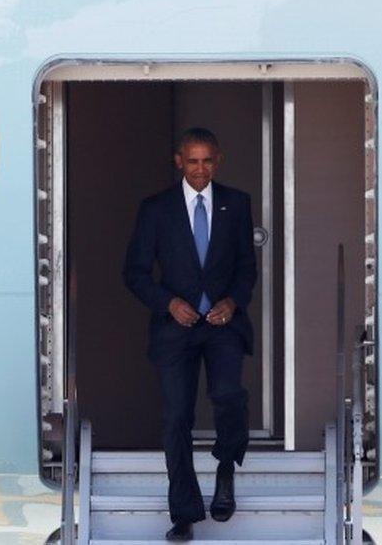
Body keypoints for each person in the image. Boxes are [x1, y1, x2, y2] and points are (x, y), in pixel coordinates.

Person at [123, 127, 257, 541]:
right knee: (177, 417)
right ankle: (183, 512)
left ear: (218, 161)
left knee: (228, 396)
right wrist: (169, 303)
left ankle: (225, 466)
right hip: (175, 330)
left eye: (207, 161)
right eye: (192, 161)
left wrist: (232, 303)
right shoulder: (156, 209)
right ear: (178, 161)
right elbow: (135, 272)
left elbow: (246, 269)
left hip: (222, 325)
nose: (200, 170)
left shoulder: (236, 204)